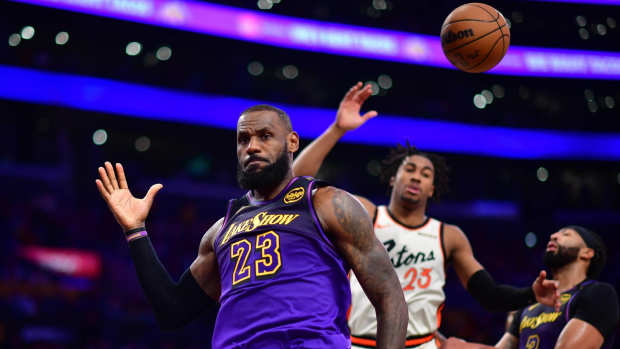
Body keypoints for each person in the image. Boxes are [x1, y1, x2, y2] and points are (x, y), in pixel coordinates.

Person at [95, 104, 408, 348]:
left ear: (292, 142)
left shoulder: (327, 203)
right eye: (243, 139)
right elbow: (173, 310)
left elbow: (389, 295)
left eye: (265, 136)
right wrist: (136, 230)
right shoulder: (221, 229)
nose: (252, 147)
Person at [292, 82, 561, 349]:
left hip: (422, 344)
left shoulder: (448, 236)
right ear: (393, 179)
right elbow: (298, 183)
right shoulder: (367, 214)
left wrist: (530, 294)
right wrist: (338, 129)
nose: (416, 177)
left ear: (432, 189)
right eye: (409, 169)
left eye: (425, 174)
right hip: (358, 342)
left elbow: (487, 294)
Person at [440, 226, 619, 349]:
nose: (554, 236)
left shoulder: (599, 294)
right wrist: (442, 342)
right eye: (555, 234)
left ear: (587, 253)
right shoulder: (528, 305)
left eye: (566, 234)